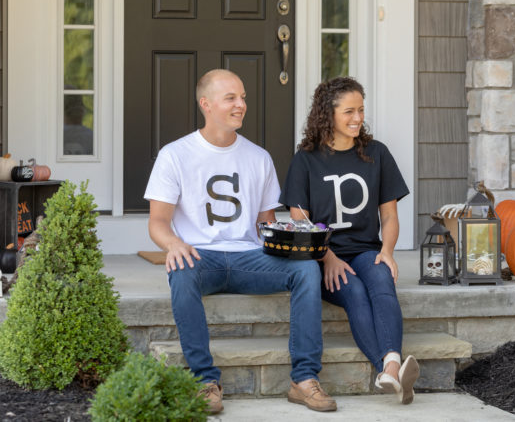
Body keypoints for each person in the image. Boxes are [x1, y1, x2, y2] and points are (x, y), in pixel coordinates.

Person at [145, 69, 336, 414]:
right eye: (231, 98)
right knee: (181, 272)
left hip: (250, 258)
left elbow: (265, 223)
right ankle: (204, 380)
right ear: (206, 104)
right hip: (201, 257)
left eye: (243, 97)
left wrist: (293, 240)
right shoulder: (175, 154)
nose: (241, 104)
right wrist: (173, 244)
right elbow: (157, 222)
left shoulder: (258, 157)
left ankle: (304, 379)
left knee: (306, 271)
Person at [280, 76, 420, 404]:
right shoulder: (306, 160)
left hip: (366, 249)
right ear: (327, 115)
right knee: (355, 292)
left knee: (381, 280)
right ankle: (389, 369)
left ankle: (390, 367)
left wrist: (387, 251)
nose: (357, 118)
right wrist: (326, 257)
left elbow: (389, 215)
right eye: (348, 111)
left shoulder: (376, 154)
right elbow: (301, 222)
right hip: (322, 256)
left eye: (361, 110)